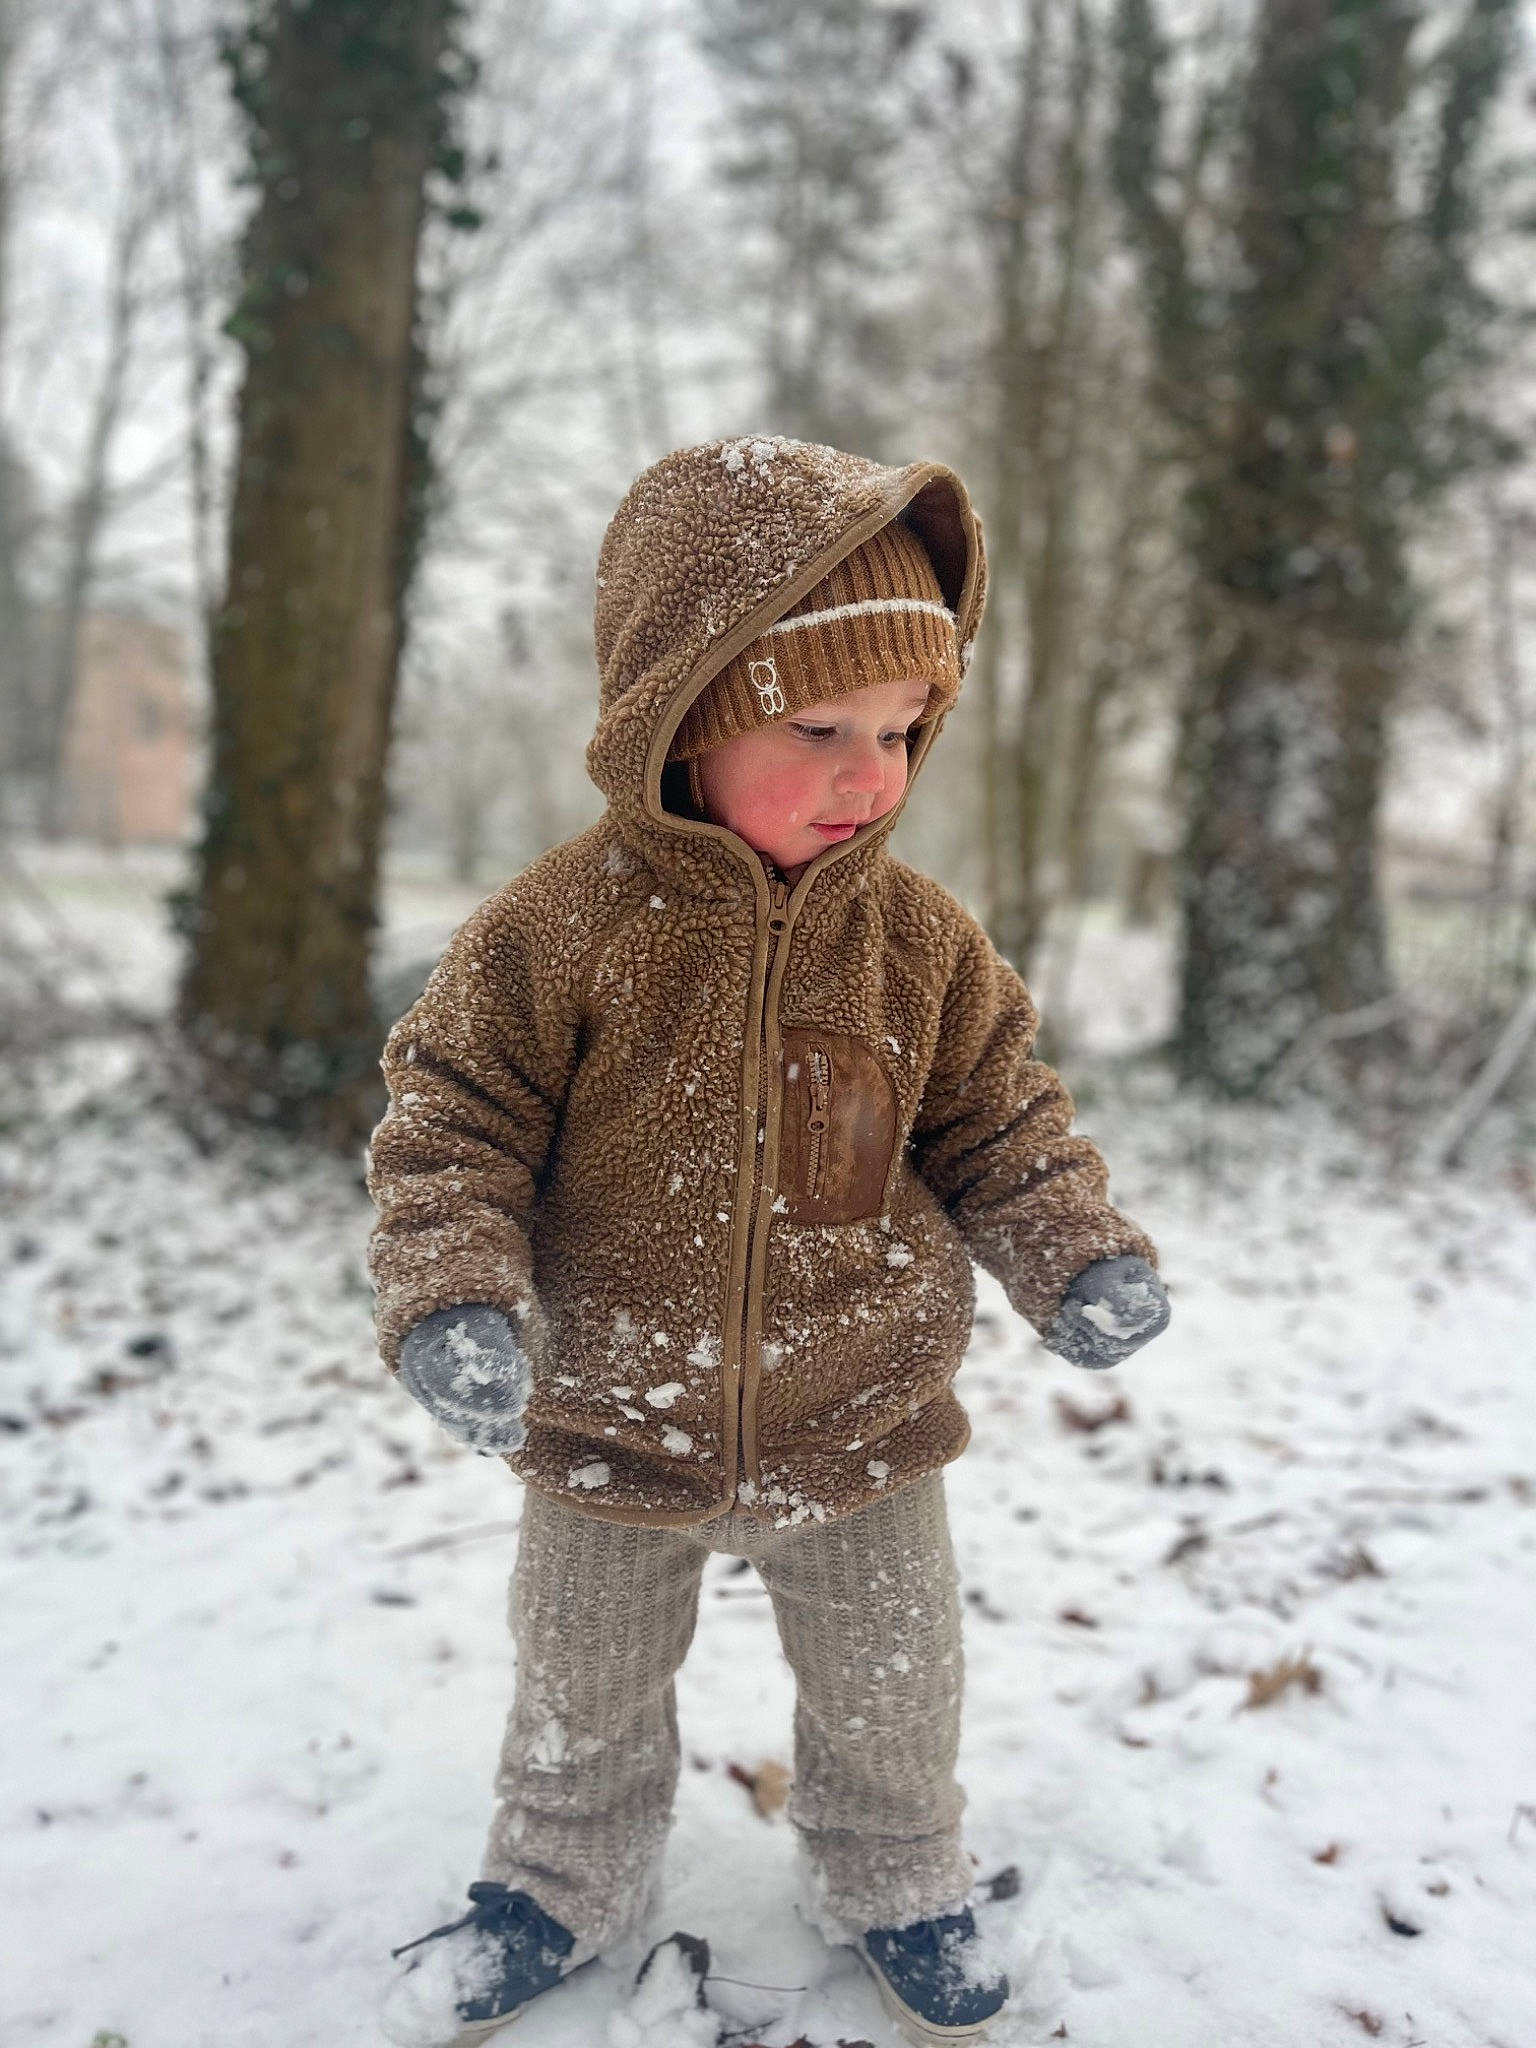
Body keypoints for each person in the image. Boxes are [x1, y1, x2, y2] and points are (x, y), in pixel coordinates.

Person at [367, 435, 1170, 2048]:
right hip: (605, 1410)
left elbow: (998, 1121)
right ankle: (557, 1878)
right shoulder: (557, 933)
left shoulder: (920, 944)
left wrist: (1073, 1250)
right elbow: (454, 1125)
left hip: (857, 1414)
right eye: (817, 728)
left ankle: (895, 1876)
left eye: (898, 732)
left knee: (891, 1690)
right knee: (579, 1693)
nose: (868, 772)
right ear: (682, 707)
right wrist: (453, 1298)